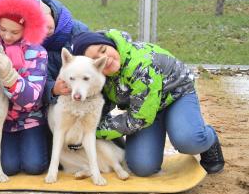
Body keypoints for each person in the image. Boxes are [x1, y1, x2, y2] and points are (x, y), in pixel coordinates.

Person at [70, 30, 225, 176]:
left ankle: (208, 139)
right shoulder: (96, 77)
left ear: (111, 44)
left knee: (188, 140)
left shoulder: (140, 65)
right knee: (142, 167)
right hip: (143, 108)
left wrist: (93, 132)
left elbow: (139, 119)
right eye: (95, 61)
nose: (105, 59)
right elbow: (100, 108)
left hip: (176, 96)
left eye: (103, 50)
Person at [0, 0, 49, 176]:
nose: (7, 36)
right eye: (3, 29)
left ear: (28, 27)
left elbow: (31, 99)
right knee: (9, 167)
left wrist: (9, 76)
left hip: (29, 118)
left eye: (15, 32)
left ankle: (41, 141)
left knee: (34, 167)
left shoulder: (37, 52)